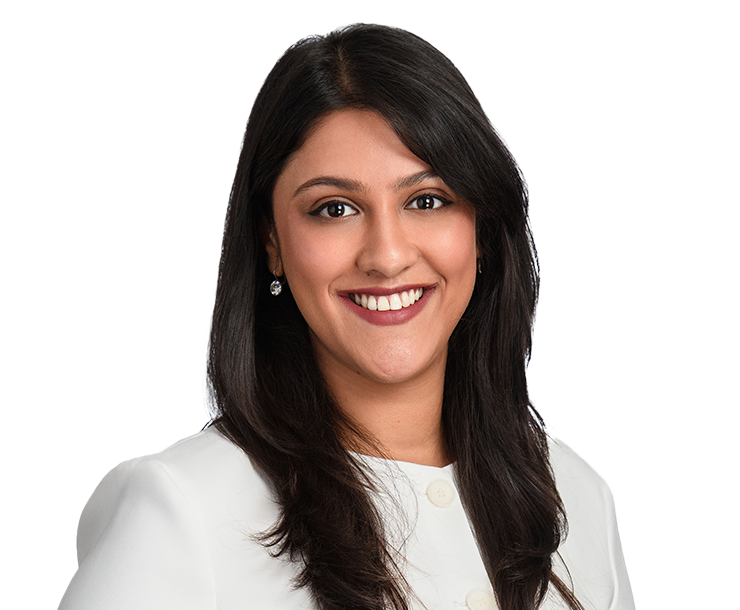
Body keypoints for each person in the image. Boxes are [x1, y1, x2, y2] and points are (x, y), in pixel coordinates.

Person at [58, 23, 634, 610]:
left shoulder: (576, 498)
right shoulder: (182, 509)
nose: (387, 256)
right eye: (335, 209)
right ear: (271, 241)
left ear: (482, 229)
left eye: (426, 200)